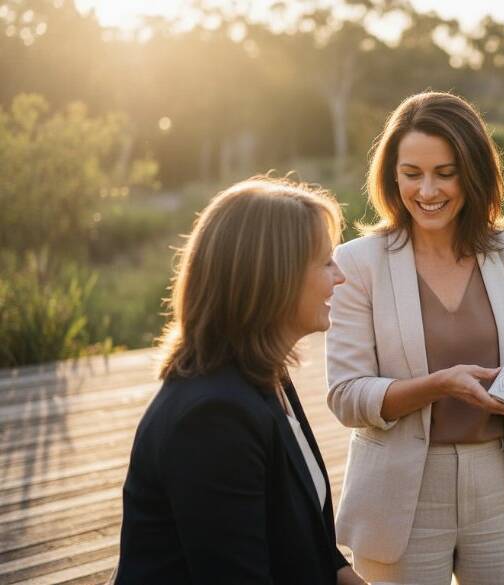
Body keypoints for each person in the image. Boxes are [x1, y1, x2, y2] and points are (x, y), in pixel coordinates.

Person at [326, 92, 504, 584]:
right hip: (400, 498)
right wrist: (439, 386)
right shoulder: (358, 264)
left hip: (503, 488)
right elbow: (345, 397)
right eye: (411, 172)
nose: (427, 190)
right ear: (391, 175)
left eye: (446, 172)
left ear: (474, 172)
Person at [112, 177, 367, 585]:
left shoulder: (267, 374)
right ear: (272, 278)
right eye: (325, 263)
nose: (340, 277)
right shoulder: (213, 417)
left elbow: (306, 539)